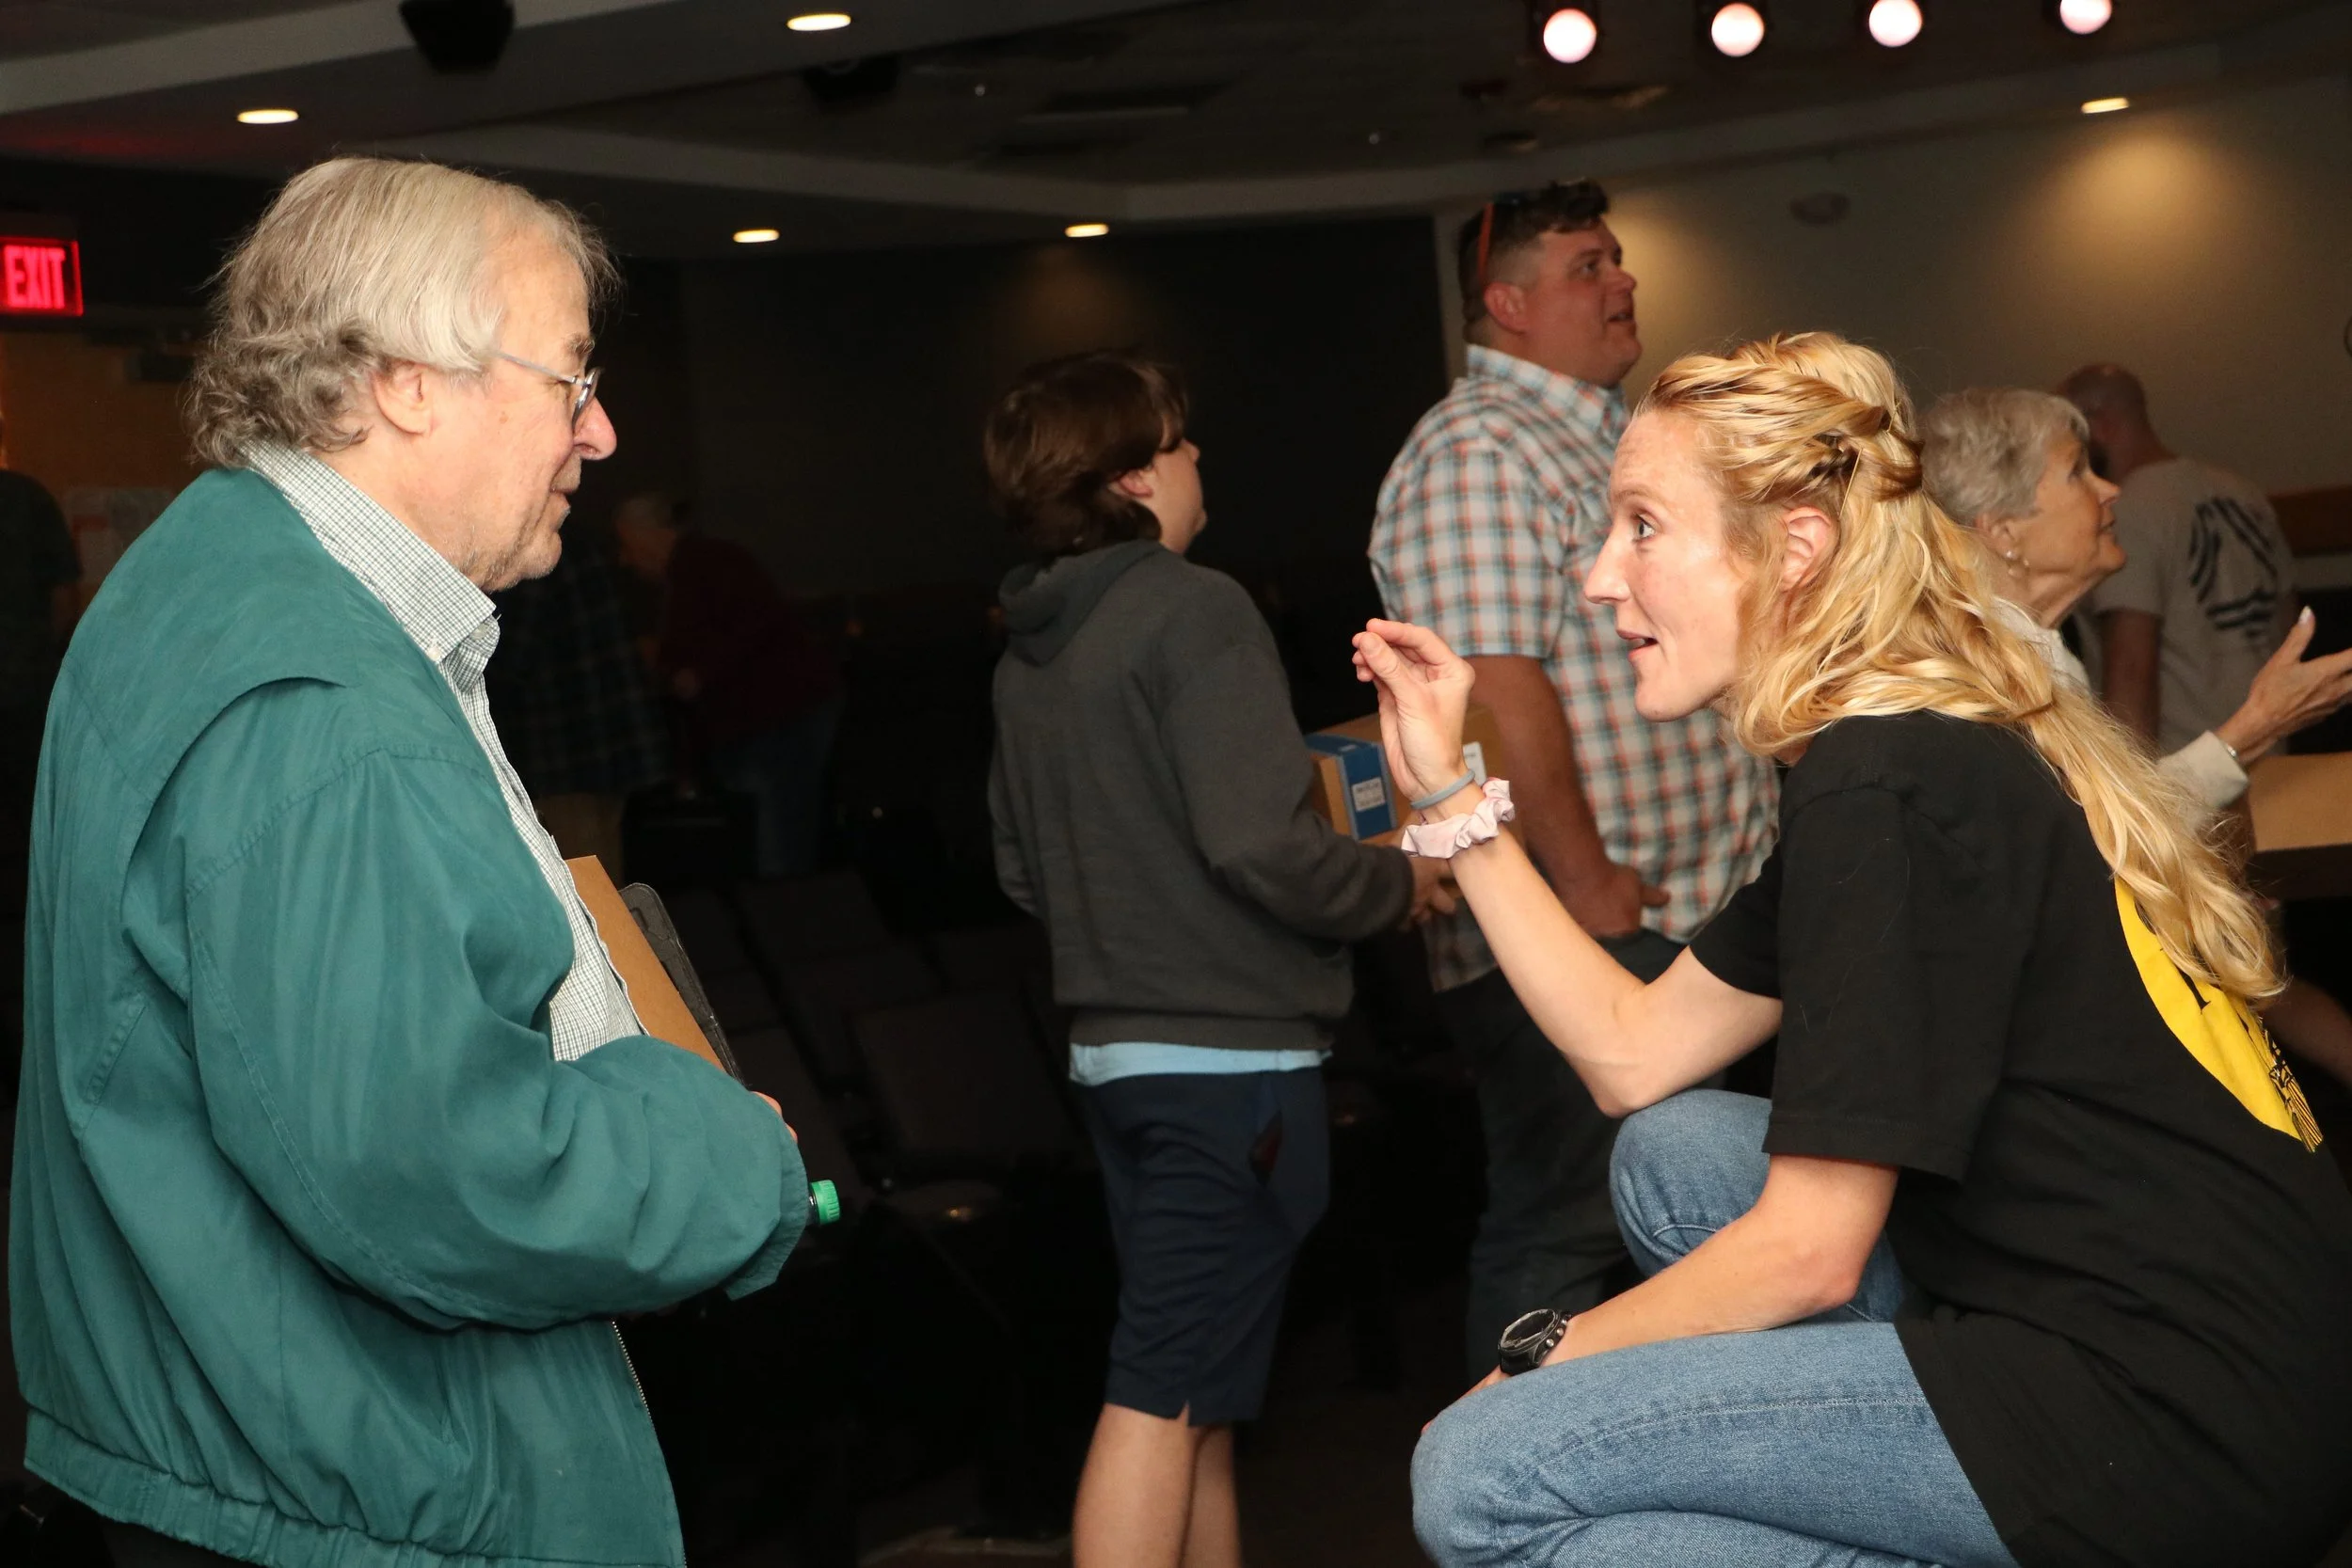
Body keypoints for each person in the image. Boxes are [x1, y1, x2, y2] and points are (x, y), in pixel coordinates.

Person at [1375, 332, 2352, 1568]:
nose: (1598, 579)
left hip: (2176, 1408)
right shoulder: (1904, 740)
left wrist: (1539, 1362)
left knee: (1478, 1470)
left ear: (1794, 546)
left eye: (1642, 527)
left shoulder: (1881, 782)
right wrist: (1451, 800)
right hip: (2240, 1347)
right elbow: (1631, 1053)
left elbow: (1808, 1247)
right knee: (1676, 1146)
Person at [10, 157, 810, 1568]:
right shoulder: (323, 707)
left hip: (230, 1441)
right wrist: (737, 1165)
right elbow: (436, 1177)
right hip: (360, 1490)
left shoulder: (214, 569)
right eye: (570, 376)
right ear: (404, 384)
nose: (601, 429)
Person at [985, 351, 1451, 1568]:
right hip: (1225, 1069)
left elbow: (1023, 870)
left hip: (1116, 1065)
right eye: (1179, 440)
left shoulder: (1027, 649)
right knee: (1159, 1391)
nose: (1198, 459)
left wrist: (1138, 909)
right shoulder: (1192, 608)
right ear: (1134, 476)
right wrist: (1398, 880)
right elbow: (1259, 841)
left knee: (1200, 1399)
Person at [1367, 179, 1776, 1373]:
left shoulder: (1600, 432)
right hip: (1583, 925)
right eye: (1587, 266)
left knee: (1696, 1214)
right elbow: (1492, 682)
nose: (1622, 281)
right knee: (1566, 1223)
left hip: (1688, 910)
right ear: (1506, 304)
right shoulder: (1475, 448)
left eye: (1615, 259)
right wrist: (1585, 879)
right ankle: (1503, 1470)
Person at [1920, 387, 2352, 1093]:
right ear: (2002, 531)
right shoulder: (1991, 677)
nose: (2110, 488)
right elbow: (2101, 838)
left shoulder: (2035, 649)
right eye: (2077, 471)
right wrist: (2257, 723)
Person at [2058, 363, 2296, 753]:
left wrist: (2130, 779)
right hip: (2268, 747)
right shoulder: (2243, 492)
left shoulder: (2126, 512)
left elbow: (2130, 668)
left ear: (2099, 425)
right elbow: (2287, 620)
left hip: (2191, 765)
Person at [613, 491, 841, 878]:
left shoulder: (705, 564)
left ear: (650, 534)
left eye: (627, 543)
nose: (625, 558)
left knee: (775, 838)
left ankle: (785, 909)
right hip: (770, 717)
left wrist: (696, 672)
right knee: (775, 832)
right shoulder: (698, 567)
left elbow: (755, 623)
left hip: (775, 717)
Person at [487, 512, 670, 878]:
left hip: (566, 754)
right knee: (596, 871)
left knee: (583, 881)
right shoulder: (566, 540)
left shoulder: (534, 544)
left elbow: (507, 655)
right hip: (595, 747)